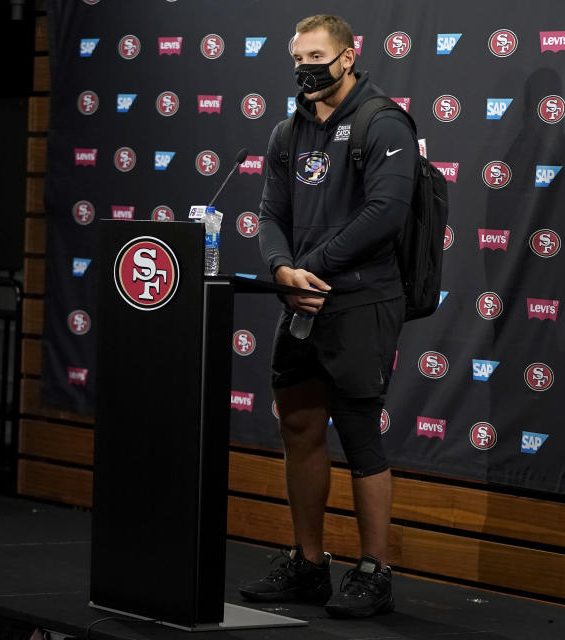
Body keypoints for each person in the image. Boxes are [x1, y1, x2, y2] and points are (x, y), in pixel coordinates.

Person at [238, 14, 417, 618]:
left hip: (363, 300)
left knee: (361, 435)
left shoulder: (381, 121)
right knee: (298, 426)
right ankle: (310, 564)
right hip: (300, 301)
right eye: (297, 56)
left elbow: (387, 211)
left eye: (316, 55)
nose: (304, 67)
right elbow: (269, 215)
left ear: (347, 57)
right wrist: (281, 270)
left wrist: (308, 266)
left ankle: (375, 571)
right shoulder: (287, 132)